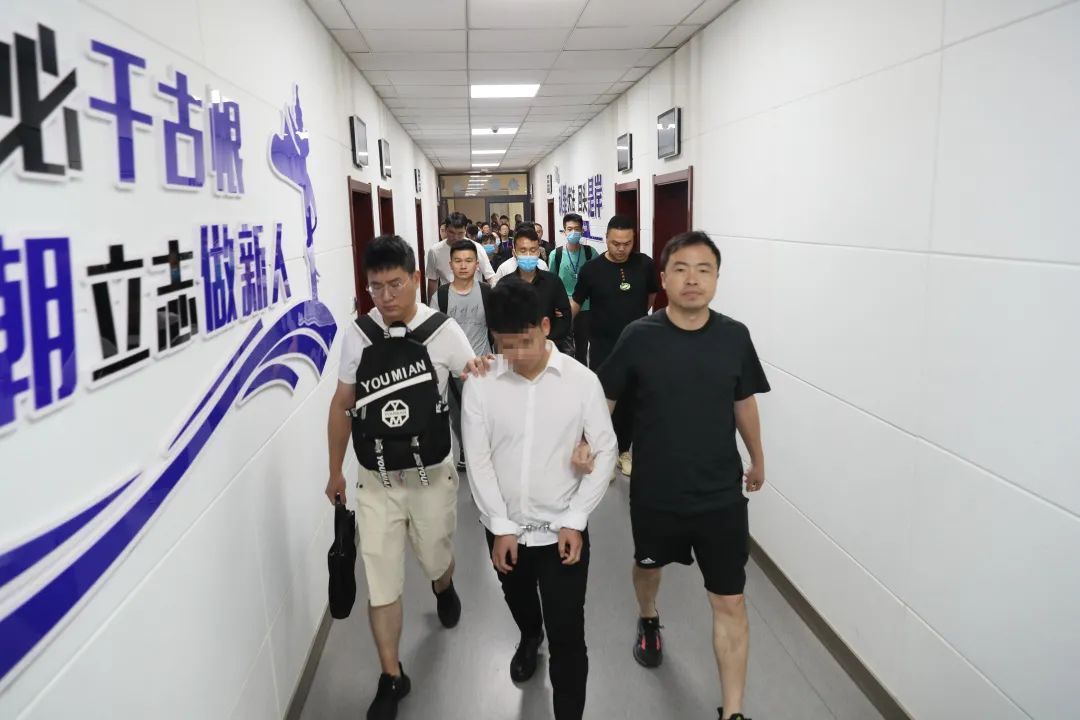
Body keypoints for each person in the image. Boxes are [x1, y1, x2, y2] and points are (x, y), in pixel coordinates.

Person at [598, 231, 768, 720]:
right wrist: (589, 447)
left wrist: (757, 457)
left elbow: (743, 400)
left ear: (716, 278)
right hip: (656, 490)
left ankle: (733, 710)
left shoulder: (734, 336)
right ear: (664, 278)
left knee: (730, 600)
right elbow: (605, 398)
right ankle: (648, 617)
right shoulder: (639, 336)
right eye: (681, 269)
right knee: (648, 567)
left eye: (703, 269)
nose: (692, 279)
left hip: (719, 494)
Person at [325, 235, 486, 720]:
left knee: (435, 555)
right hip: (376, 480)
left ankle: (443, 585)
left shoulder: (443, 331)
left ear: (416, 278)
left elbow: (475, 387)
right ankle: (392, 675)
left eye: (395, 284)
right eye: (376, 287)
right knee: (381, 580)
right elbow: (342, 403)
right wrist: (334, 470)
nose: (386, 296)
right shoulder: (358, 335)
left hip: (431, 475)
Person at [462, 279, 617, 720]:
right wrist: (500, 526)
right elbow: (478, 461)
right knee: (520, 600)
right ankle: (530, 636)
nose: (516, 355)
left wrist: (577, 517)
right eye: (505, 345)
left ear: (546, 327)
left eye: (525, 342)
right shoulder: (481, 383)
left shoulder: (581, 382)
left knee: (568, 634)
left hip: (562, 531)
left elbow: (605, 449)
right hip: (504, 528)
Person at [570, 215, 657, 477]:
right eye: (616, 243)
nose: (621, 248)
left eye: (627, 243)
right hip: (602, 347)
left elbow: (650, 298)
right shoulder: (591, 269)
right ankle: (601, 455)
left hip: (637, 348)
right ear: (606, 239)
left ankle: (624, 451)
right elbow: (576, 302)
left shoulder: (645, 265)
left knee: (630, 401)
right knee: (601, 403)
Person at [431, 240, 493, 472]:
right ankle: (467, 449)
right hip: (454, 369)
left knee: (484, 414)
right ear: (450, 265)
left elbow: (496, 329)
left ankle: (484, 451)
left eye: (468, 261)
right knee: (458, 417)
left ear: (477, 264)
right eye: (458, 261)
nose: (463, 266)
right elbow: (434, 334)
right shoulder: (441, 296)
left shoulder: (487, 293)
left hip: (484, 365)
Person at [497, 226, 570, 347]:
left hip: (548, 348)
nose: (528, 255)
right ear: (514, 253)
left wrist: (547, 342)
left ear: (538, 252)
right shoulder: (504, 285)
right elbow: (499, 321)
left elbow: (565, 317)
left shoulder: (553, 282)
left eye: (532, 250)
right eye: (523, 250)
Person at [549, 213, 597, 365]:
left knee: (582, 351)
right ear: (564, 231)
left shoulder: (590, 253)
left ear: (582, 230)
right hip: (563, 310)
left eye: (577, 229)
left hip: (585, 309)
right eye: (569, 229)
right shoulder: (556, 255)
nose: (573, 232)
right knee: (566, 351)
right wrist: (553, 307)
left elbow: (598, 280)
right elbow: (551, 284)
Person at [425, 212, 496, 300]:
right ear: (446, 229)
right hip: (448, 300)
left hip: (475, 299)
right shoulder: (435, 251)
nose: (456, 237)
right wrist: (431, 305)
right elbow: (432, 280)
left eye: (460, 233)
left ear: (465, 230)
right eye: (451, 232)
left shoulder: (476, 248)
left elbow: (490, 276)